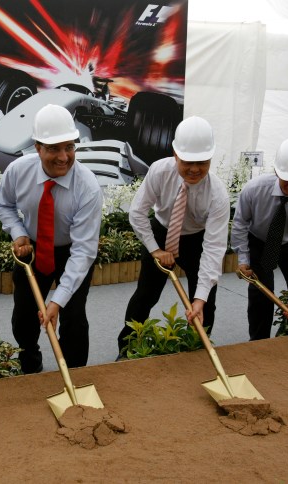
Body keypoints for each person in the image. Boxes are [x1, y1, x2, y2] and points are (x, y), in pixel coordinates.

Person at [0, 104, 103, 374]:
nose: (64, 157)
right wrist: (18, 233)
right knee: (24, 317)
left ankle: (75, 373)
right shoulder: (18, 171)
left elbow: (84, 252)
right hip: (32, 249)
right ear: (37, 147)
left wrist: (57, 301)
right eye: (54, 148)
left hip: (72, 252)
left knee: (74, 316)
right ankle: (31, 366)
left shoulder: (88, 187)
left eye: (69, 147)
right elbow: (4, 204)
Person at [118, 116, 229, 354]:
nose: (195, 169)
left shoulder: (217, 194)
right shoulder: (159, 171)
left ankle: (198, 348)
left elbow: (214, 248)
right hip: (160, 232)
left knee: (205, 302)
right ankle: (127, 348)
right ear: (176, 154)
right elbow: (137, 213)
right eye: (188, 161)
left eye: (202, 162)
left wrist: (199, 299)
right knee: (145, 296)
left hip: (196, 241)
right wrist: (155, 249)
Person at [231, 137, 288, 340]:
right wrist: (243, 260)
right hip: (258, 240)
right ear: (276, 171)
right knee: (262, 292)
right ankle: (259, 342)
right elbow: (240, 224)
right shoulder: (254, 189)